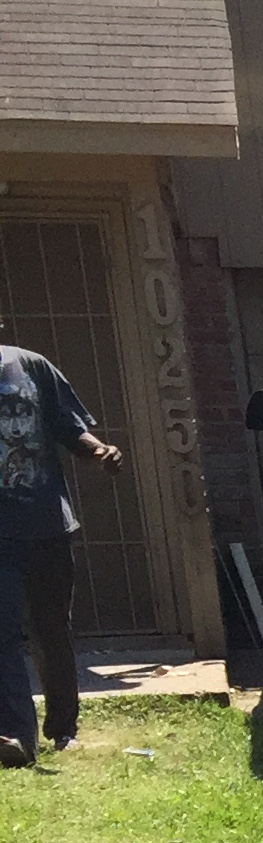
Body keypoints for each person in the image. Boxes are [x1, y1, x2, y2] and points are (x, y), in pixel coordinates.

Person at [0, 329, 127, 768]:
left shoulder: (31, 366)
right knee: (4, 631)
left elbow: (71, 428)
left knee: (52, 627)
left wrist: (99, 452)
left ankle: (63, 729)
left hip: (47, 523)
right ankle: (16, 736)